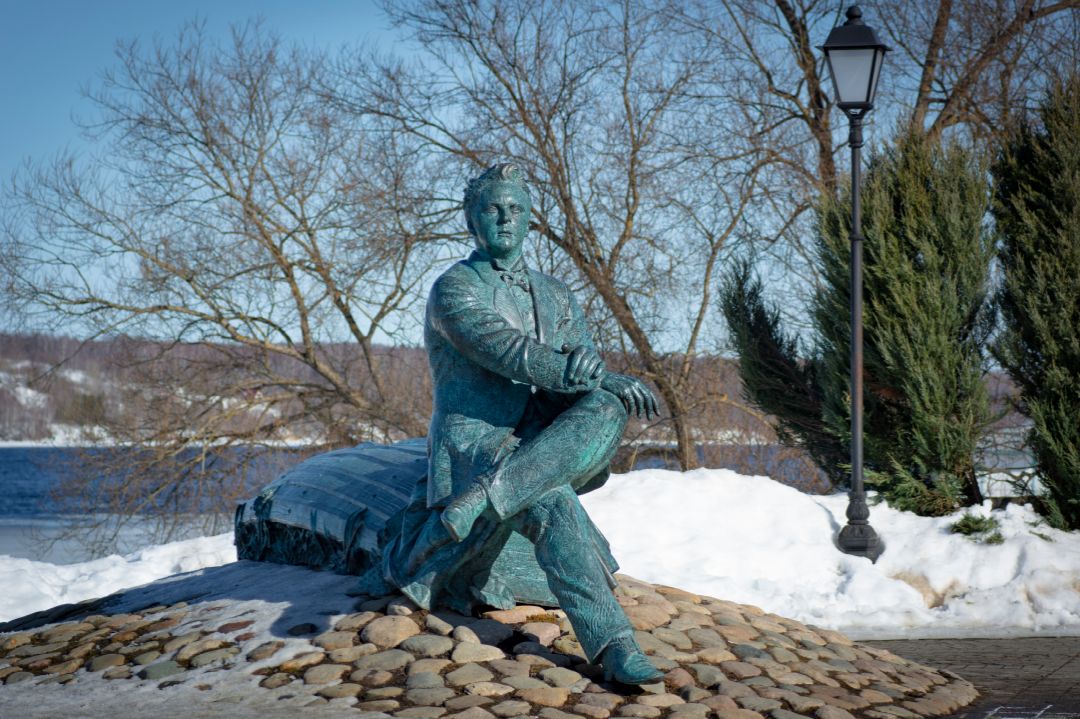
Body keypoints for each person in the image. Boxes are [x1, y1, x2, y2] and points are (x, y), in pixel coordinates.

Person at [362, 163, 662, 684]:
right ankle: (614, 644)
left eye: (516, 209)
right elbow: (507, 351)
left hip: (538, 437)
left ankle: (486, 494)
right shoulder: (454, 289)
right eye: (493, 208)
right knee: (549, 499)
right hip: (475, 437)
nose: (505, 218)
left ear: (529, 220)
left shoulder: (556, 294)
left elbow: (582, 370)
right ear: (471, 219)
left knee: (607, 405)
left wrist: (596, 374)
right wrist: (592, 373)